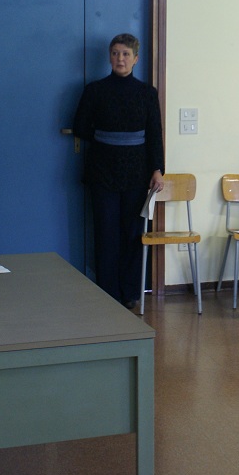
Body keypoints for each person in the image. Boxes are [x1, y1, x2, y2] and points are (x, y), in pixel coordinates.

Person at [72, 33, 163, 309]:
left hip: (137, 172)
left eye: (125, 54)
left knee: (132, 234)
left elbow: (154, 135)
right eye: (115, 53)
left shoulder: (147, 93)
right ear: (109, 57)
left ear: (136, 59)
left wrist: (157, 169)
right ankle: (107, 292)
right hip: (102, 171)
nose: (119, 59)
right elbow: (80, 127)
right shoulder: (95, 90)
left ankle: (130, 292)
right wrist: (106, 139)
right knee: (106, 233)